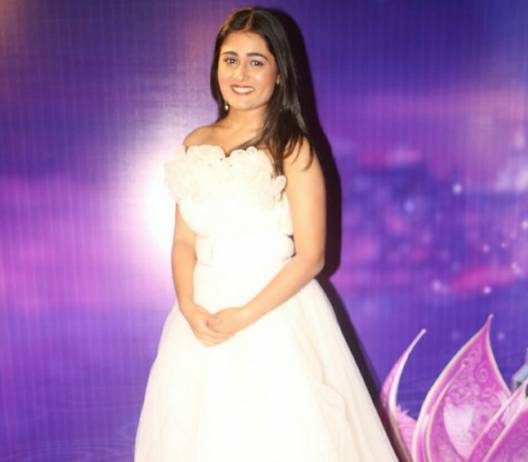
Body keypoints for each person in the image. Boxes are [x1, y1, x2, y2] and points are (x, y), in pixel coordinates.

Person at [134, 6, 398, 462]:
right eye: (230, 59)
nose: (240, 73)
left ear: (279, 74)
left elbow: (311, 256)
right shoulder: (195, 142)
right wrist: (189, 305)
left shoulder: (293, 147)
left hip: (274, 314)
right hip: (201, 316)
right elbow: (184, 240)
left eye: (256, 61)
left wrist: (243, 316)